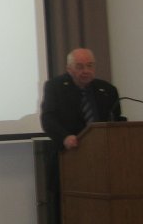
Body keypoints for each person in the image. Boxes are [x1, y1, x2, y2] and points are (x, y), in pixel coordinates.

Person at [40, 47, 124, 223]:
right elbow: (48, 119)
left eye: (90, 65)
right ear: (69, 68)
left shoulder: (107, 90)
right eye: (79, 66)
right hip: (68, 158)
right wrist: (65, 137)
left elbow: (115, 121)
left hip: (103, 164)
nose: (86, 70)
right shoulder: (55, 87)